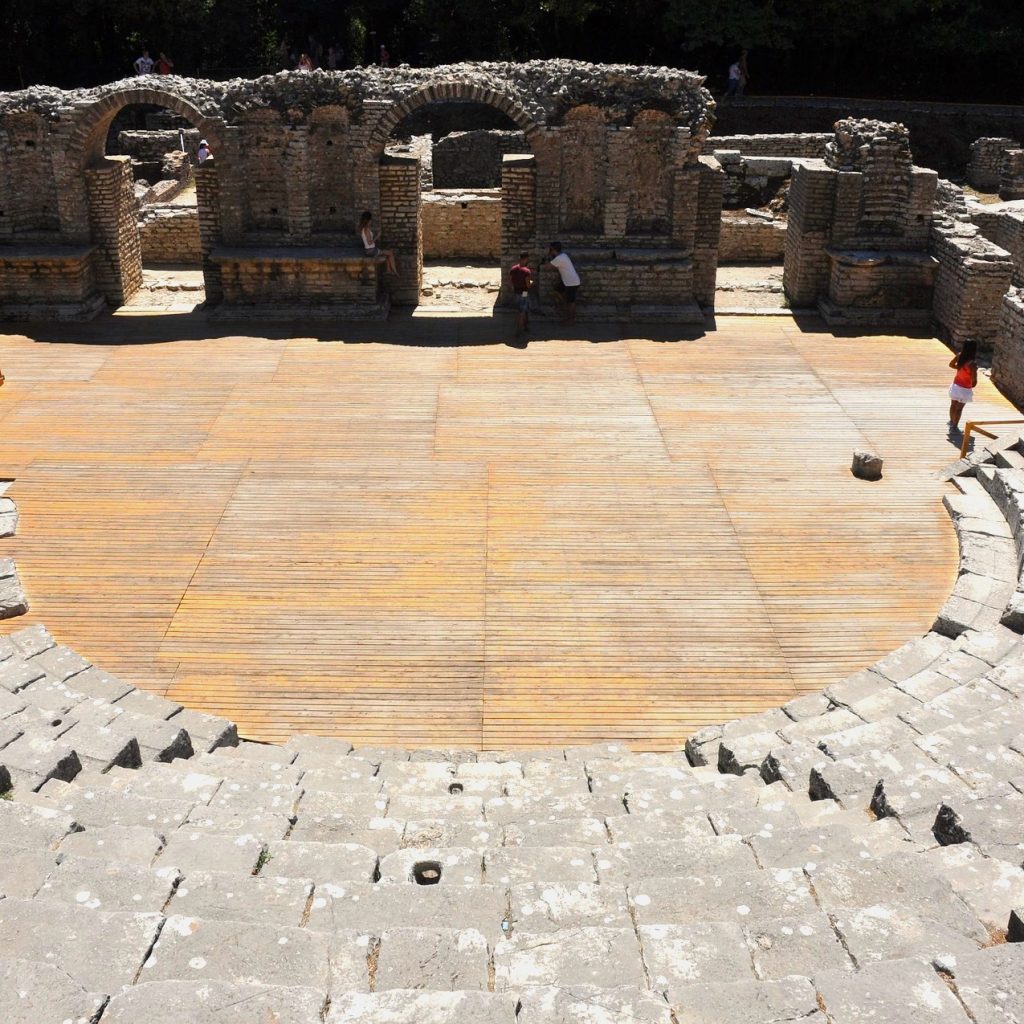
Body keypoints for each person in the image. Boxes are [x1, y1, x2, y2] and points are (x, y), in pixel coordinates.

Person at [948, 339, 978, 433]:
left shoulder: (959, 355)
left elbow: (951, 364)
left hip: (956, 385)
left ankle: (951, 422)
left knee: (953, 405)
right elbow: (973, 378)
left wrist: (960, 368)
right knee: (959, 408)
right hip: (965, 388)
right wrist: (974, 384)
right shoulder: (972, 363)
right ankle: (955, 426)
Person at [547, 241, 580, 325]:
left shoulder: (559, 258)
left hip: (571, 283)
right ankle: (564, 304)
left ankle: (571, 320)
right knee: (557, 289)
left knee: (571, 302)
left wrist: (549, 256)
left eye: (550, 249)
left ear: (553, 249)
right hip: (568, 282)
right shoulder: (563, 255)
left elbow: (548, 266)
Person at [509, 252, 533, 335]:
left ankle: (525, 325)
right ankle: (519, 329)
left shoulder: (513, 269)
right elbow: (528, 285)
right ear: (526, 259)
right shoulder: (526, 271)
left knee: (521, 309)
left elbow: (511, 281)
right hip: (524, 293)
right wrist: (531, 283)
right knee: (522, 311)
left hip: (516, 292)